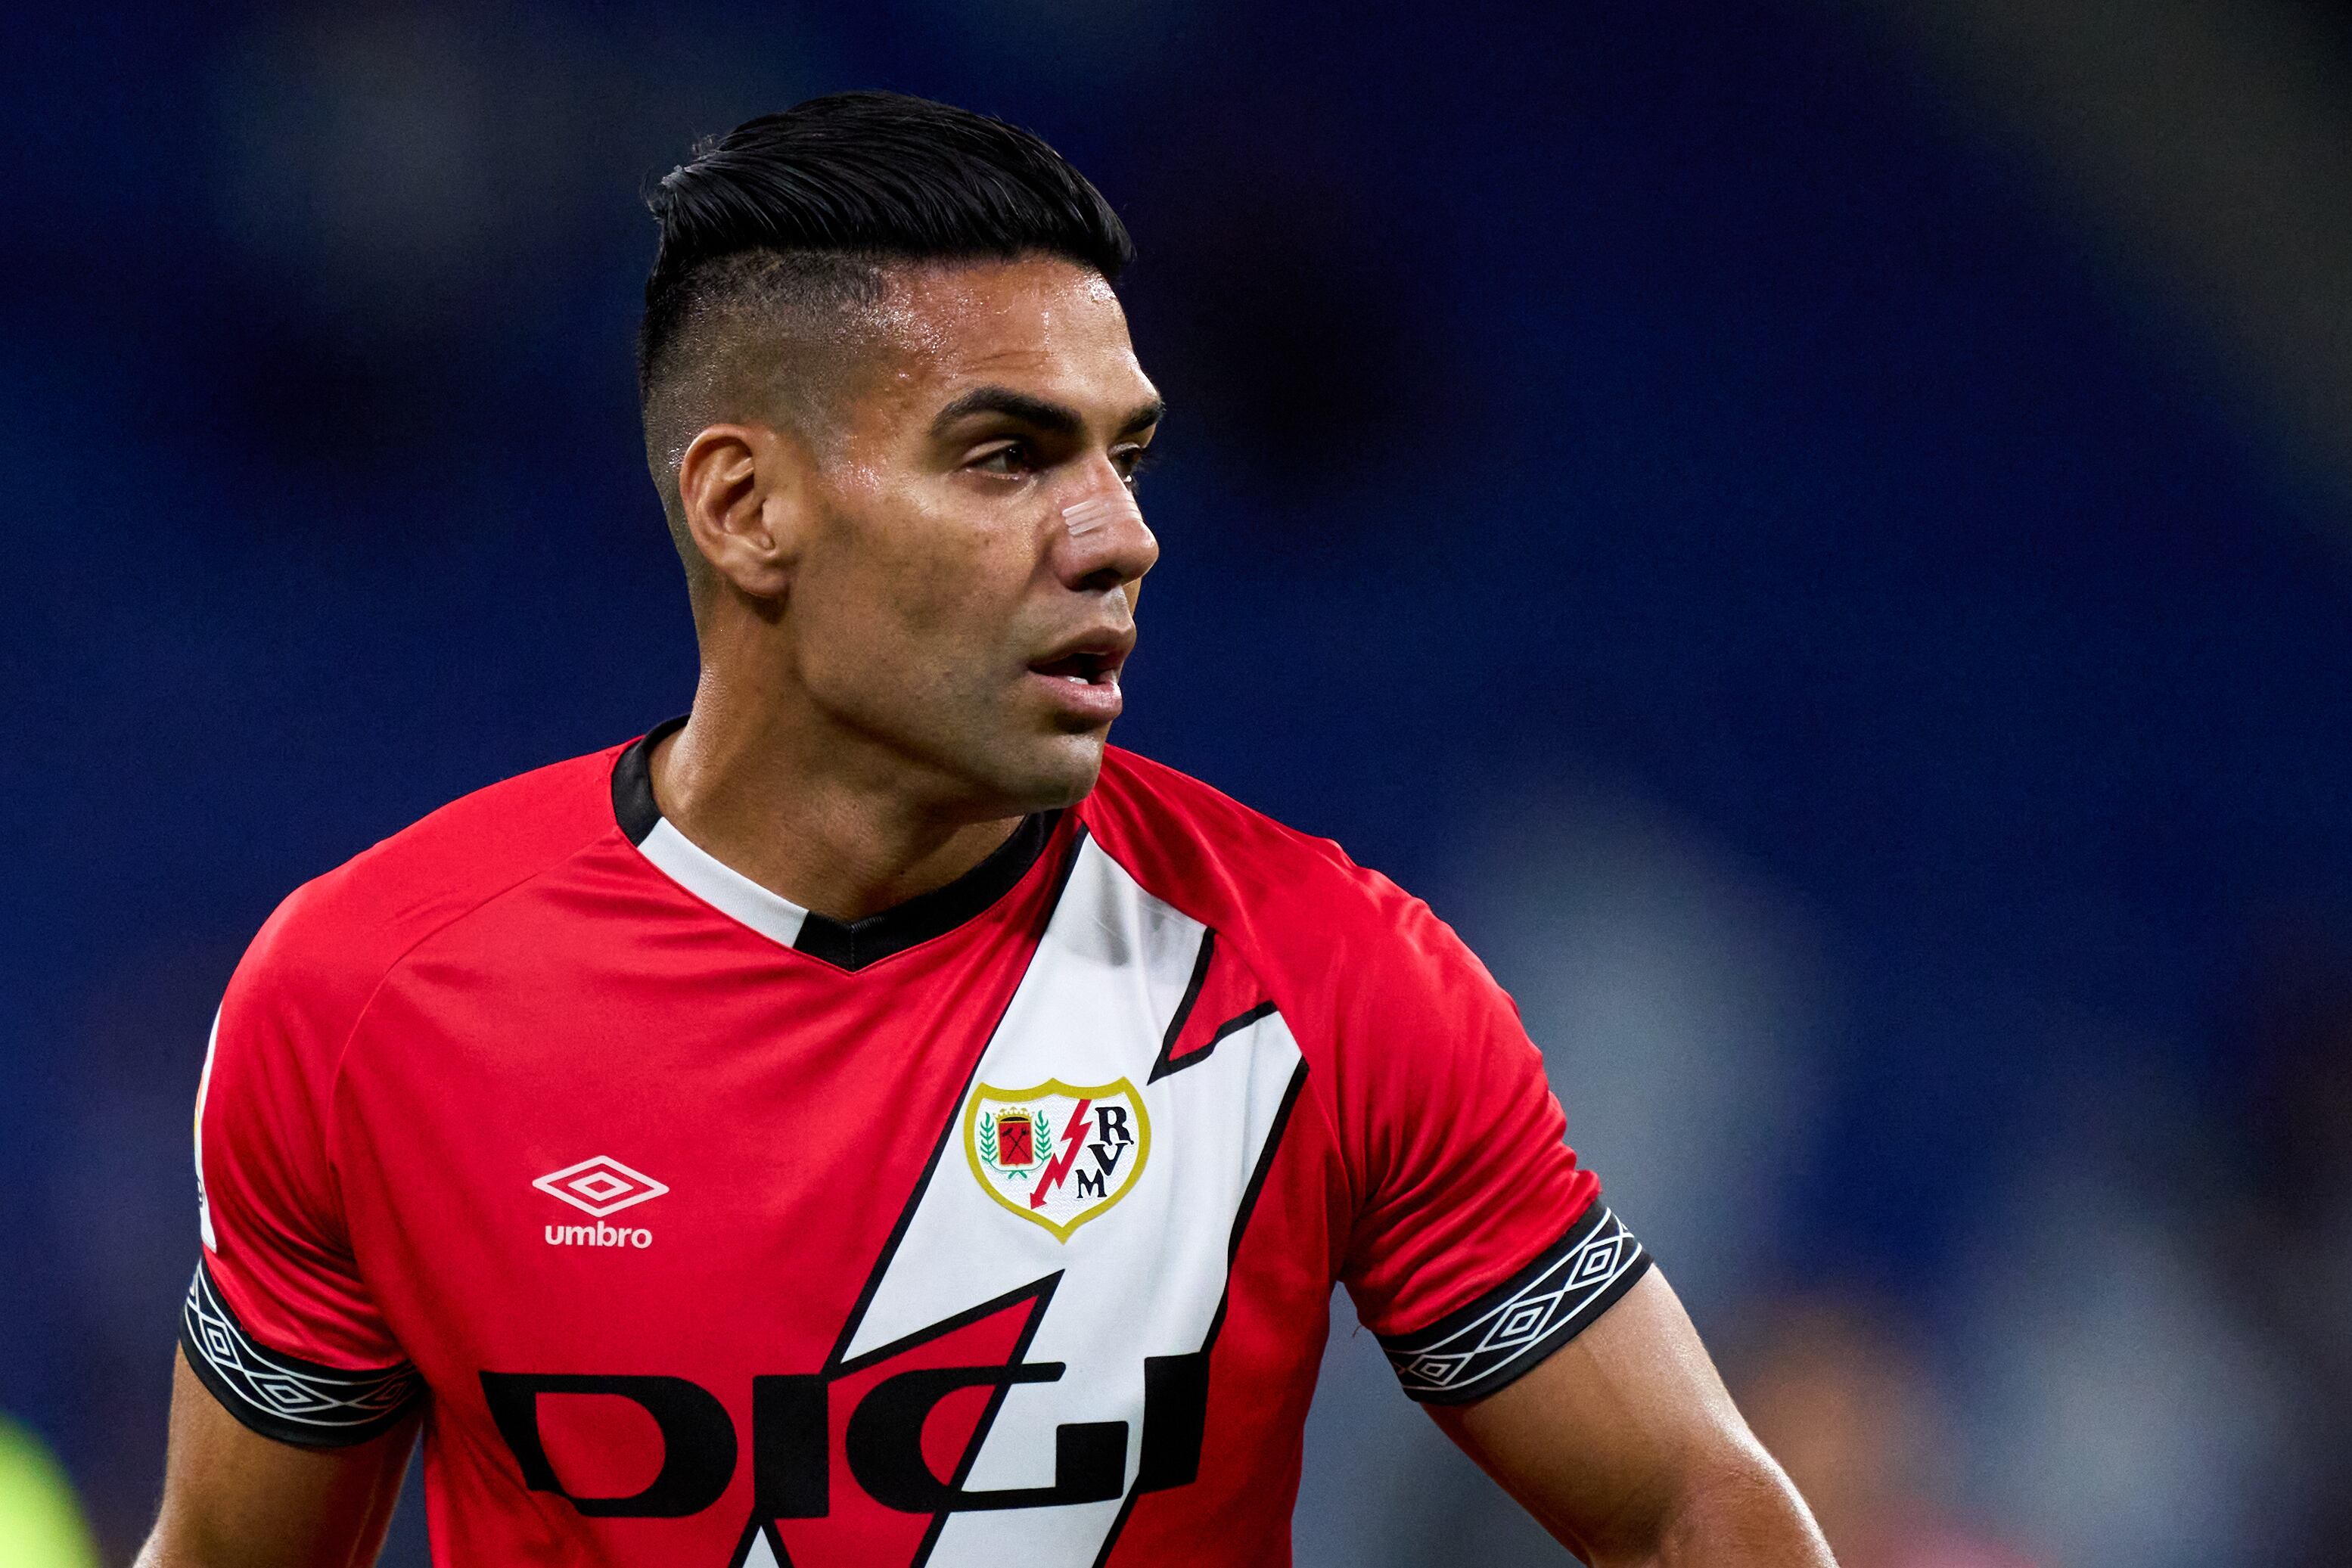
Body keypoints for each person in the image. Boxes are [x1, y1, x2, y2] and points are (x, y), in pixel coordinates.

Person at [138, 92, 1833, 1568]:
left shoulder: (1326, 981)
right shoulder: (366, 1001)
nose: (1118, 535)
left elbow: (1690, 1503)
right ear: (745, 506)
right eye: (1008, 456)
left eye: (1126, 456)